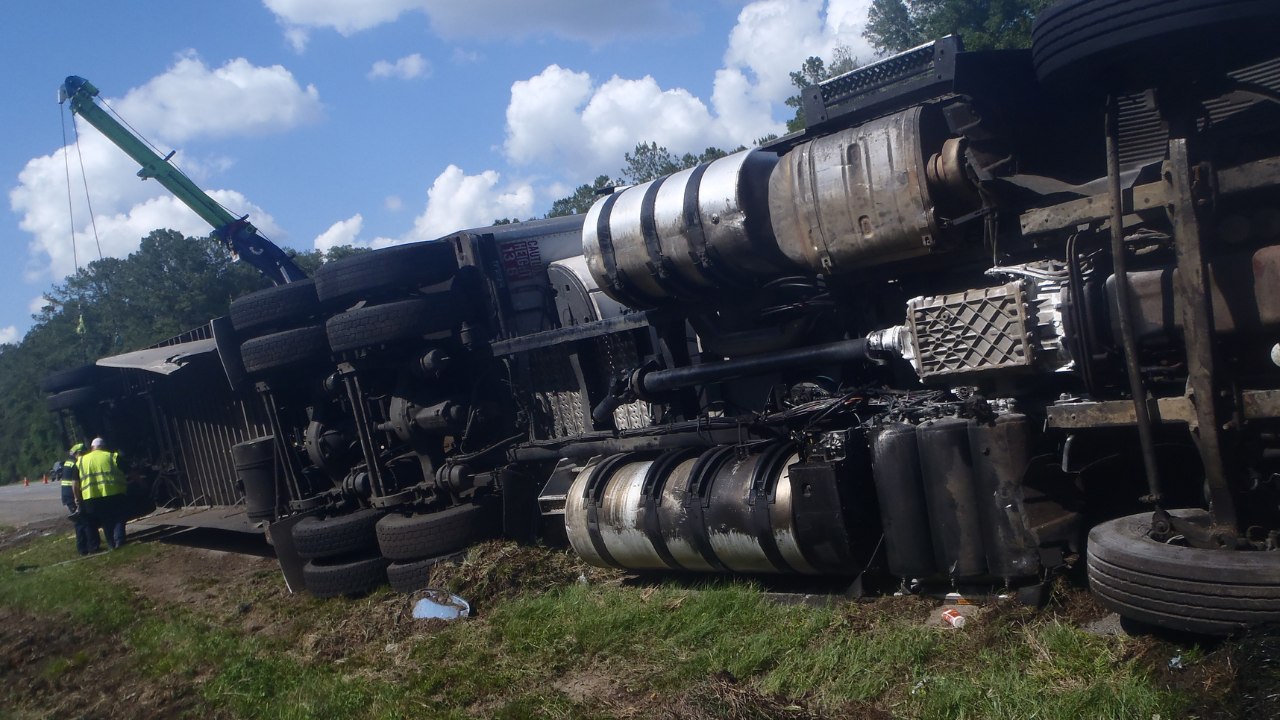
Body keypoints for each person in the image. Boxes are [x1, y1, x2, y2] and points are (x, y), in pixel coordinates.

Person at [75, 437, 129, 550]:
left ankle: (111, 544)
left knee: (106, 520)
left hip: (92, 497)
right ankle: (119, 541)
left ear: (92, 448)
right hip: (114, 493)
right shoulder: (112, 456)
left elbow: (74, 483)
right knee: (119, 517)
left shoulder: (81, 460)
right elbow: (129, 471)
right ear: (104, 447)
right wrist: (141, 482)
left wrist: (77, 497)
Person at [58, 443, 101, 555]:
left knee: (80, 522)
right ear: (78, 453)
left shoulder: (69, 461)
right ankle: (92, 547)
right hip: (73, 496)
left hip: (68, 496)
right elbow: (75, 483)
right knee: (87, 522)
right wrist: (78, 498)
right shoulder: (76, 463)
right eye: (83, 453)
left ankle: (83, 549)